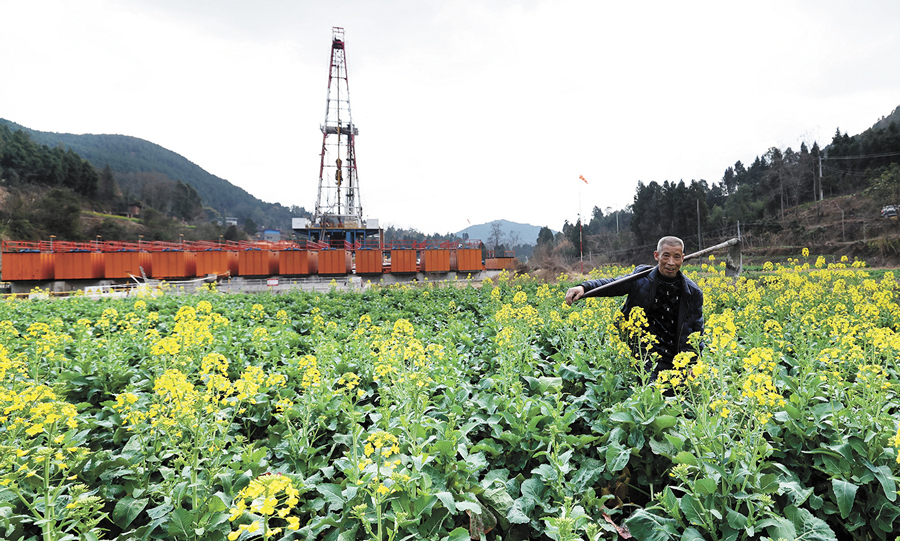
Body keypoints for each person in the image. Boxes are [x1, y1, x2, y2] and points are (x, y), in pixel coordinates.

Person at [564, 236, 703, 381]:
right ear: (657, 256)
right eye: (666, 256)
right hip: (642, 354)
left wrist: (692, 363)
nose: (671, 262)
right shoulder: (641, 278)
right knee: (650, 394)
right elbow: (613, 284)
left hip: (674, 358)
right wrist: (584, 287)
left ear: (683, 258)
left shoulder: (692, 292)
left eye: (676, 257)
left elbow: (696, 330)